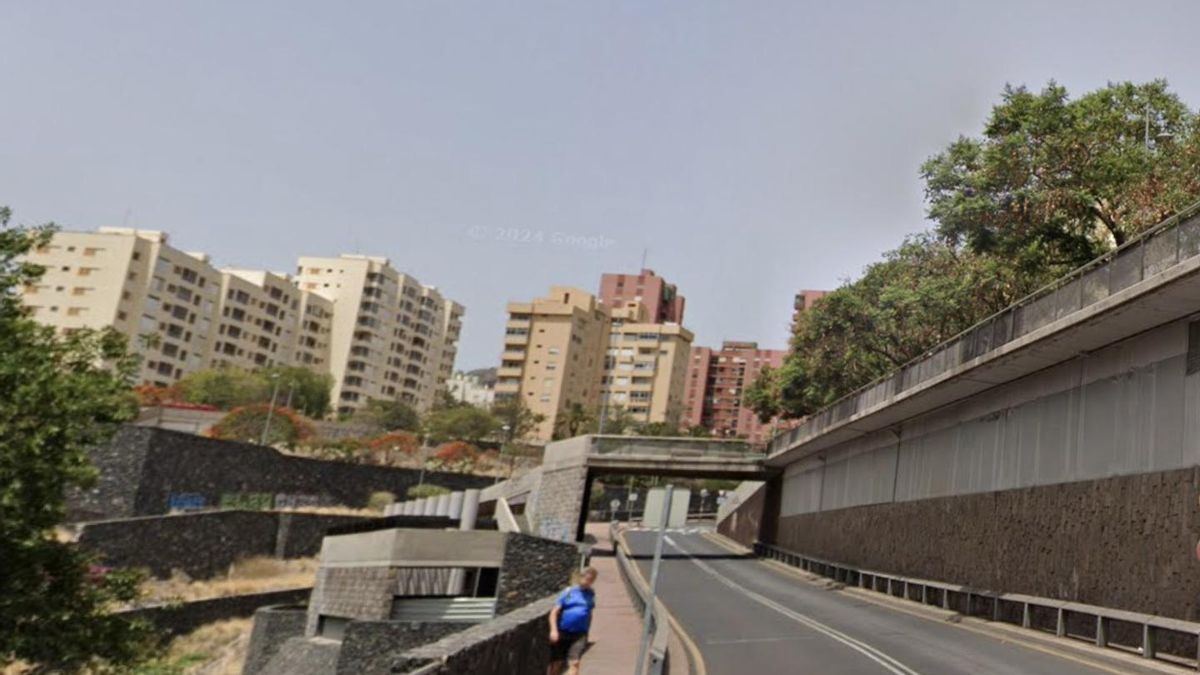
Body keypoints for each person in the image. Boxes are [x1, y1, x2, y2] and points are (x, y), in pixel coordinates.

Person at [548, 567, 598, 675]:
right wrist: (553, 630)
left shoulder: (591, 594)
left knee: (575, 663)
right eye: (586, 579)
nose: (587, 582)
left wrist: (587, 630)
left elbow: (589, 612)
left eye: (591, 580)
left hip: (579, 634)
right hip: (563, 632)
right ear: (581, 577)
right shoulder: (568, 592)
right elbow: (554, 612)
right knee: (557, 664)